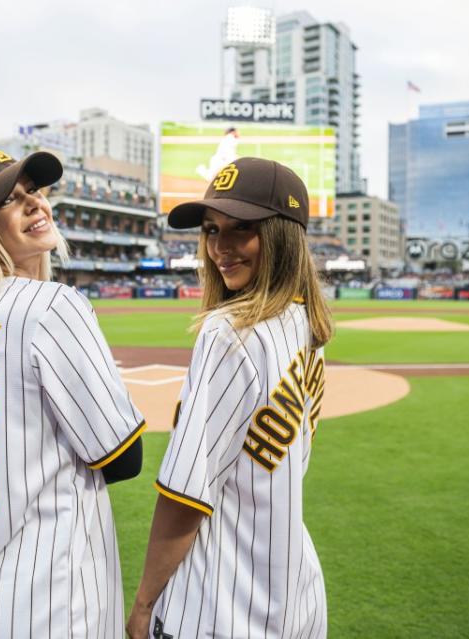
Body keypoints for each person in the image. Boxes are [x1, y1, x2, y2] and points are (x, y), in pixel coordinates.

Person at [0, 147, 146, 638]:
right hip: (50, 601)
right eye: (11, 199)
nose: (36, 204)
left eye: (36, 191)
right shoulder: (51, 306)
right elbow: (123, 457)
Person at [127, 157, 333, 638]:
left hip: (217, 604)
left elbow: (186, 497)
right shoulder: (305, 326)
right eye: (212, 229)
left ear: (282, 236)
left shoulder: (229, 333)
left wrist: (142, 604)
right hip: (293, 594)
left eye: (243, 228)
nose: (222, 247)